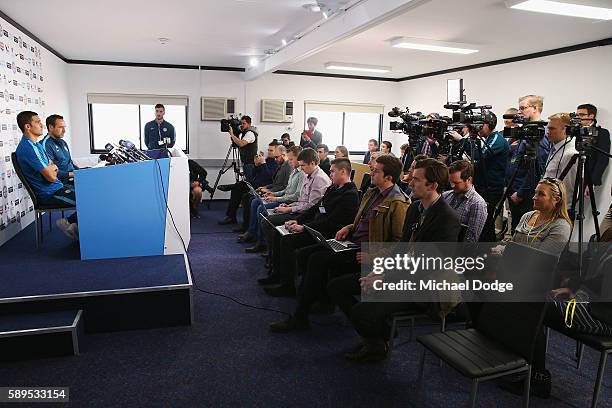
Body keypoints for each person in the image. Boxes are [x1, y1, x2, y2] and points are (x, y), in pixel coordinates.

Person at [327, 158, 460, 362]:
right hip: (404, 273)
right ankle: (380, 337)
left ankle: (376, 343)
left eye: (416, 179)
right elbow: (402, 250)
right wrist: (379, 269)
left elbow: (426, 267)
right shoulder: (416, 208)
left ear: (432, 185)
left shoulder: (446, 218)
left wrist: (384, 277)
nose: (409, 182)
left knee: (361, 311)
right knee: (336, 287)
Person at [269, 155, 409, 330]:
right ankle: (319, 301)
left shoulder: (398, 203)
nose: (371, 172)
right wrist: (350, 227)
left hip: (364, 252)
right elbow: (362, 220)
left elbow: (399, 242)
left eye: (376, 170)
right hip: (351, 242)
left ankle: (301, 315)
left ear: (388, 177)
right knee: (306, 254)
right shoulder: (372, 192)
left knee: (316, 259)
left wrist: (372, 256)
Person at [263, 158, 360, 297]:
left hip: (330, 233)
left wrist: (304, 227)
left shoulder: (350, 194)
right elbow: (316, 208)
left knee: (288, 241)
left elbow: (332, 222)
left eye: (332, 171)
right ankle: (278, 275)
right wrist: (296, 220)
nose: (330, 174)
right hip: (317, 227)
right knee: (281, 234)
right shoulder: (333, 188)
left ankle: (288, 285)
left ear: (343, 172)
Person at [15, 111, 78, 240]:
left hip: (57, 188)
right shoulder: (28, 147)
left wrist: (52, 168)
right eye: (37, 122)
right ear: (28, 126)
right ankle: (70, 223)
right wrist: (52, 169)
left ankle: (74, 224)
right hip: (50, 194)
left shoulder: (36, 145)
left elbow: (52, 166)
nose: (41, 125)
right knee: (88, 199)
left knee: (89, 194)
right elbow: (51, 177)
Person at [257, 148, 331, 255]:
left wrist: (289, 209)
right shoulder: (308, 174)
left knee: (267, 222)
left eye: (303, 166)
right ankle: (274, 256)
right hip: (299, 210)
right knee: (268, 220)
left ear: (313, 163)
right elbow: (302, 199)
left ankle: (273, 255)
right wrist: (289, 205)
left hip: (307, 215)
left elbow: (311, 206)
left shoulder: (320, 179)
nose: (301, 168)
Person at [242, 146, 304, 249]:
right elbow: (286, 189)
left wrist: (276, 197)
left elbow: (295, 195)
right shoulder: (294, 171)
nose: (289, 161)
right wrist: (273, 194)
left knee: (260, 208)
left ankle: (261, 241)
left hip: (289, 202)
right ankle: (253, 233)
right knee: (255, 201)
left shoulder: (298, 172)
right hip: (285, 198)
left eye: (291, 159)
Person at [506, 95, 551, 233]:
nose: (519, 112)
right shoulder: (525, 131)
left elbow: (536, 169)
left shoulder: (539, 134)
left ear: (535, 108)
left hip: (525, 194)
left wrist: (521, 193)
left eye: (522, 108)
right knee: (515, 227)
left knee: (523, 231)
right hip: (513, 187)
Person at [462, 113, 509, 242]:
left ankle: (488, 248)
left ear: (488, 124)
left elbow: (481, 156)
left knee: (485, 221)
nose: (478, 128)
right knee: (483, 221)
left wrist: (461, 141)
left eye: (480, 125)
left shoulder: (496, 139)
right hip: (484, 185)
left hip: (490, 188)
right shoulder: (488, 138)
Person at [237, 144, 291, 238]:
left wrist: (271, 192)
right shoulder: (281, 165)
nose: (275, 159)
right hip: (275, 191)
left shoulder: (288, 167)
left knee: (257, 205)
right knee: (251, 200)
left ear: (283, 155)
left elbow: (283, 187)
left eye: (277, 157)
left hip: (281, 196)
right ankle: (251, 231)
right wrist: (266, 187)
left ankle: (255, 235)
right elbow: (274, 183)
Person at [218, 142, 278, 225]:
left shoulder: (276, 163)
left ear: (277, 151)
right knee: (236, 190)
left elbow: (268, 177)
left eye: (271, 150)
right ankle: (231, 216)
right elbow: (255, 174)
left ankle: (231, 186)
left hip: (265, 185)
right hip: (256, 183)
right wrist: (256, 165)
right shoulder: (267, 160)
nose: (269, 152)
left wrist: (263, 164)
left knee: (242, 191)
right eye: (268, 150)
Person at [443, 160, 488, 242]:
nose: (452, 186)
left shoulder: (477, 204)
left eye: (456, 183)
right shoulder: (446, 195)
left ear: (469, 179)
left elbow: (470, 240)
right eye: (451, 182)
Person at [544, 113, 578, 207]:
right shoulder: (556, 148)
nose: (547, 132)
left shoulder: (570, 153)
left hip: (557, 208)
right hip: (549, 204)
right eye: (548, 128)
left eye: (552, 128)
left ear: (566, 130)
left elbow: (568, 189)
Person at [577, 103, 610, 192]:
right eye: (577, 115)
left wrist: (592, 182)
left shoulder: (601, 133)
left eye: (582, 115)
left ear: (591, 116)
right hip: (570, 174)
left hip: (586, 177)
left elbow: (602, 159)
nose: (578, 118)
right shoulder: (574, 131)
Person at [41, 114, 78, 185]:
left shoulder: (63, 142)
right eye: (61, 127)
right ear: (51, 127)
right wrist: (72, 174)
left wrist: (80, 172)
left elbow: (70, 163)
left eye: (64, 127)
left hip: (72, 177)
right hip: (62, 182)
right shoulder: (46, 144)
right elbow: (50, 173)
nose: (64, 131)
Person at [225, 115, 258, 179]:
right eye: (241, 123)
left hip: (250, 163)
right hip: (246, 163)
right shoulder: (245, 132)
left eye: (244, 123)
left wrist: (232, 134)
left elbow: (241, 143)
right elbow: (239, 142)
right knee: (247, 181)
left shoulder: (250, 133)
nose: (242, 125)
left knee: (249, 182)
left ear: (249, 124)